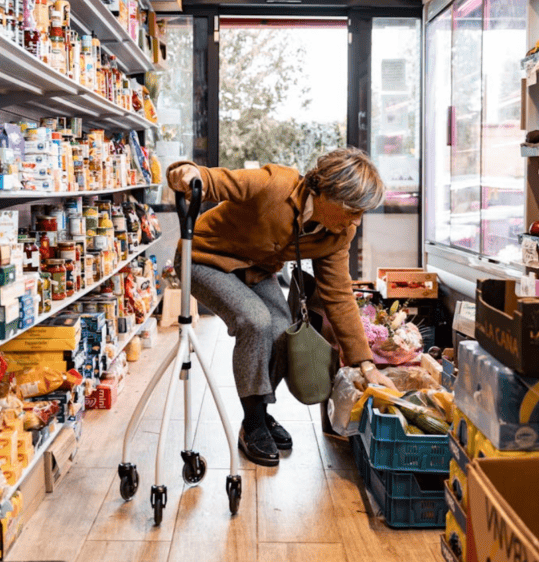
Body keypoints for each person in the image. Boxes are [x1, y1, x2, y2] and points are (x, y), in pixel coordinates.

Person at [166, 148, 398, 467]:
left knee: (280, 330)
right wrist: (191, 174)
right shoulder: (275, 184)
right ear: (328, 193)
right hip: (204, 259)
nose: (357, 220)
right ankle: (254, 423)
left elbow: (339, 294)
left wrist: (365, 363)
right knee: (255, 320)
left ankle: (257, 415)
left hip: (254, 269)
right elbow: (220, 180)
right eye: (353, 210)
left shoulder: (339, 233)